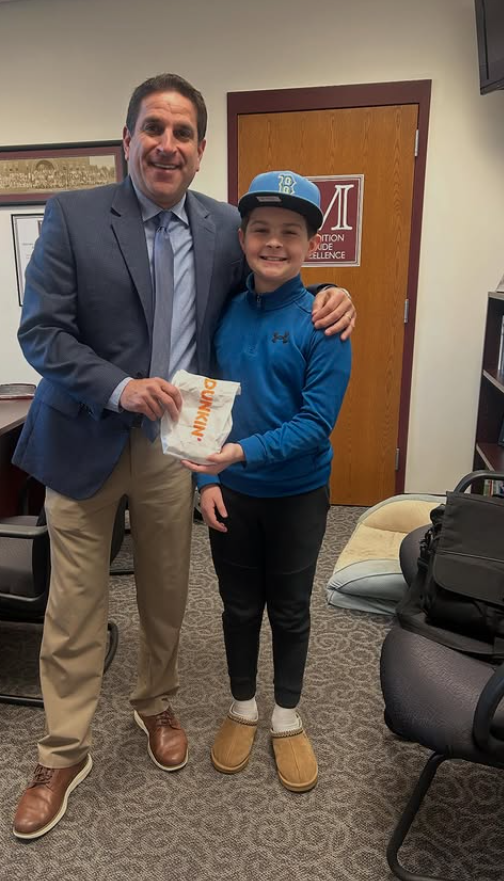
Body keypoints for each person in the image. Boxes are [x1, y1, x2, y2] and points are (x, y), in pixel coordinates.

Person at [11, 74, 356, 840]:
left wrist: (335, 293)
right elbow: (40, 332)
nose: (167, 144)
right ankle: (62, 750)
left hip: (176, 448)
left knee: (167, 590)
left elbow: (274, 276)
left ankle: (155, 702)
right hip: (84, 435)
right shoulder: (72, 215)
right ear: (127, 139)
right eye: (153, 128)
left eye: (183, 133)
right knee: (75, 604)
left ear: (200, 151)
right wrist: (120, 386)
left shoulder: (223, 226)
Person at [182, 171, 352, 793]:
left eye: (289, 232)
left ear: (311, 244)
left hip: (297, 495)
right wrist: (206, 482)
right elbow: (204, 403)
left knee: (289, 608)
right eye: (260, 230)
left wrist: (238, 455)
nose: (273, 242)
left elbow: (315, 423)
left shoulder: (324, 322)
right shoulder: (223, 312)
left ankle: (285, 715)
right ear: (243, 239)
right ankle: (243, 707)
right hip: (230, 492)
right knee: (237, 606)